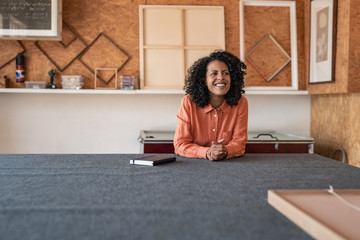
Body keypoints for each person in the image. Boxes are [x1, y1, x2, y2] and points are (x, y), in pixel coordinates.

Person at [174, 50, 248, 161]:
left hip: (228, 166)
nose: (221, 77)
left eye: (226, 73)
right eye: (214, 73)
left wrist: (225, 150)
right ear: (204, 80)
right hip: (193, 166)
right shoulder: (188, 102)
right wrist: (207, 152)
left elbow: (239, 144)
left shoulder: (241, 103)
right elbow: (180, 144)